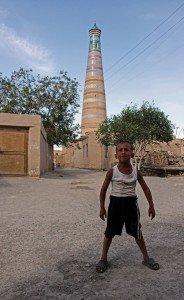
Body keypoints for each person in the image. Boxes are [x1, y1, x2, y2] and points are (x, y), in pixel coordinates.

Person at [96, 141, 159, 273]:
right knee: (109, 232)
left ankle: (146, 258)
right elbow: (103, 190)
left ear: (132, 153)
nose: (123, 152)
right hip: (115, 204)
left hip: (131, 204)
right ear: (116, 154)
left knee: (137, 231)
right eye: (120, 150)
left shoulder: (136, 172)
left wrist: (151, 206)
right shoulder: (112, 171)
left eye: (126, 149)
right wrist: (102, 208)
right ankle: (103, 258)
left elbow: (146, 189)